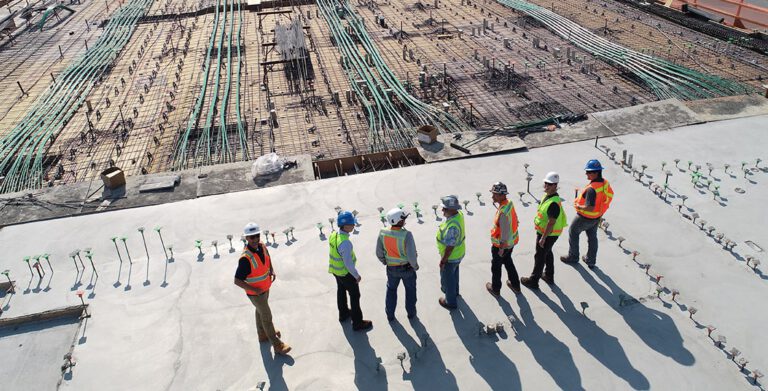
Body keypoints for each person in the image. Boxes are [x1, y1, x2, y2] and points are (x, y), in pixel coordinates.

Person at [234, 222, 291, 355]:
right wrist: (255, 290)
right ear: (246, 238)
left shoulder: (262, 247)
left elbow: (267, 259)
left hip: (265, 287)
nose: (255, 239)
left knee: (260, 311)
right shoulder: (245, 258)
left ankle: (262, 334)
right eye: (251, 237)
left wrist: (271, 270)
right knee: (267, 316)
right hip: (256, 293)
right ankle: (277, 345)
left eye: (257, 236)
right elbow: (237, 280)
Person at [561, 159, 614, 269]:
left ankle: (573, 256)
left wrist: (579, 206)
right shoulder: (604, 183)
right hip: (597, 217)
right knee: (592, 237)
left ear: (596, 173)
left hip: (584, 217)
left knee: (573, 232)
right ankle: (591, 260)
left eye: (588, 172)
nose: (586, 174)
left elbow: (590, 207)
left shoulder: (591, 189)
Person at [521, 172, 567, 290]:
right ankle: (549, 276)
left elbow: (551, 222)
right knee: (547, 252)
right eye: (546, 183)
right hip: (548, 233)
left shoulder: (553, 204)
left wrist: (543, 238)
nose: (546, 186)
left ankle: (533, 281)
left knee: (540, 256)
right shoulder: (548, 197)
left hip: (548, 234)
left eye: (549, 184)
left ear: (555, 185)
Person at [329, 211, 373, 331]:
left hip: (335, 271)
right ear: (345, 226)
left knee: (341, 291)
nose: (353, 226)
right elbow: (348, 263)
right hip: (345, 273)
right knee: (355, 295)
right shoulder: (345, 242)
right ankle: (358, 323)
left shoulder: (334, 235)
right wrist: (356, 275)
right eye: (351, 224)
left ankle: (343, 314)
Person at [376, 208, 419, 321]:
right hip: (407, 268)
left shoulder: (383, 232)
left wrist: (385, 261)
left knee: (391, 290)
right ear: (398, 221)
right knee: (410, 291)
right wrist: (415, 266)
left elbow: (379, 252)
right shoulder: (407, 235)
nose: (405, 220)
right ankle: (411, 313)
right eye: (403, 218)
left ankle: (390, 315)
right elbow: (411, 255)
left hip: (391, 269)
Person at [486, 182, 521, 296]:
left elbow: (504, 232)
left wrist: (501, 248)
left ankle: (495, 289)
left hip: (501, 246)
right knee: (508, 262)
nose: (492, 196)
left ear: (502, 195)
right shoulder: (509, 203)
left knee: (496, 267)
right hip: (511, 243)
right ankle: (515, 285)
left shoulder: (503, 212)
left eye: (495, 194)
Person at [436, 195, 465, 310]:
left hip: (451, 257)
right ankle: (455, 292)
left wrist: (443, 260)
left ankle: (450, 302)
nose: (442, 210)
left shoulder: (452, 227)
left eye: (445, 208)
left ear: (452, 210)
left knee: (448, 280)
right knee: (454, 274)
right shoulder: (459, 215)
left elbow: (450, 246)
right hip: (459, 254)